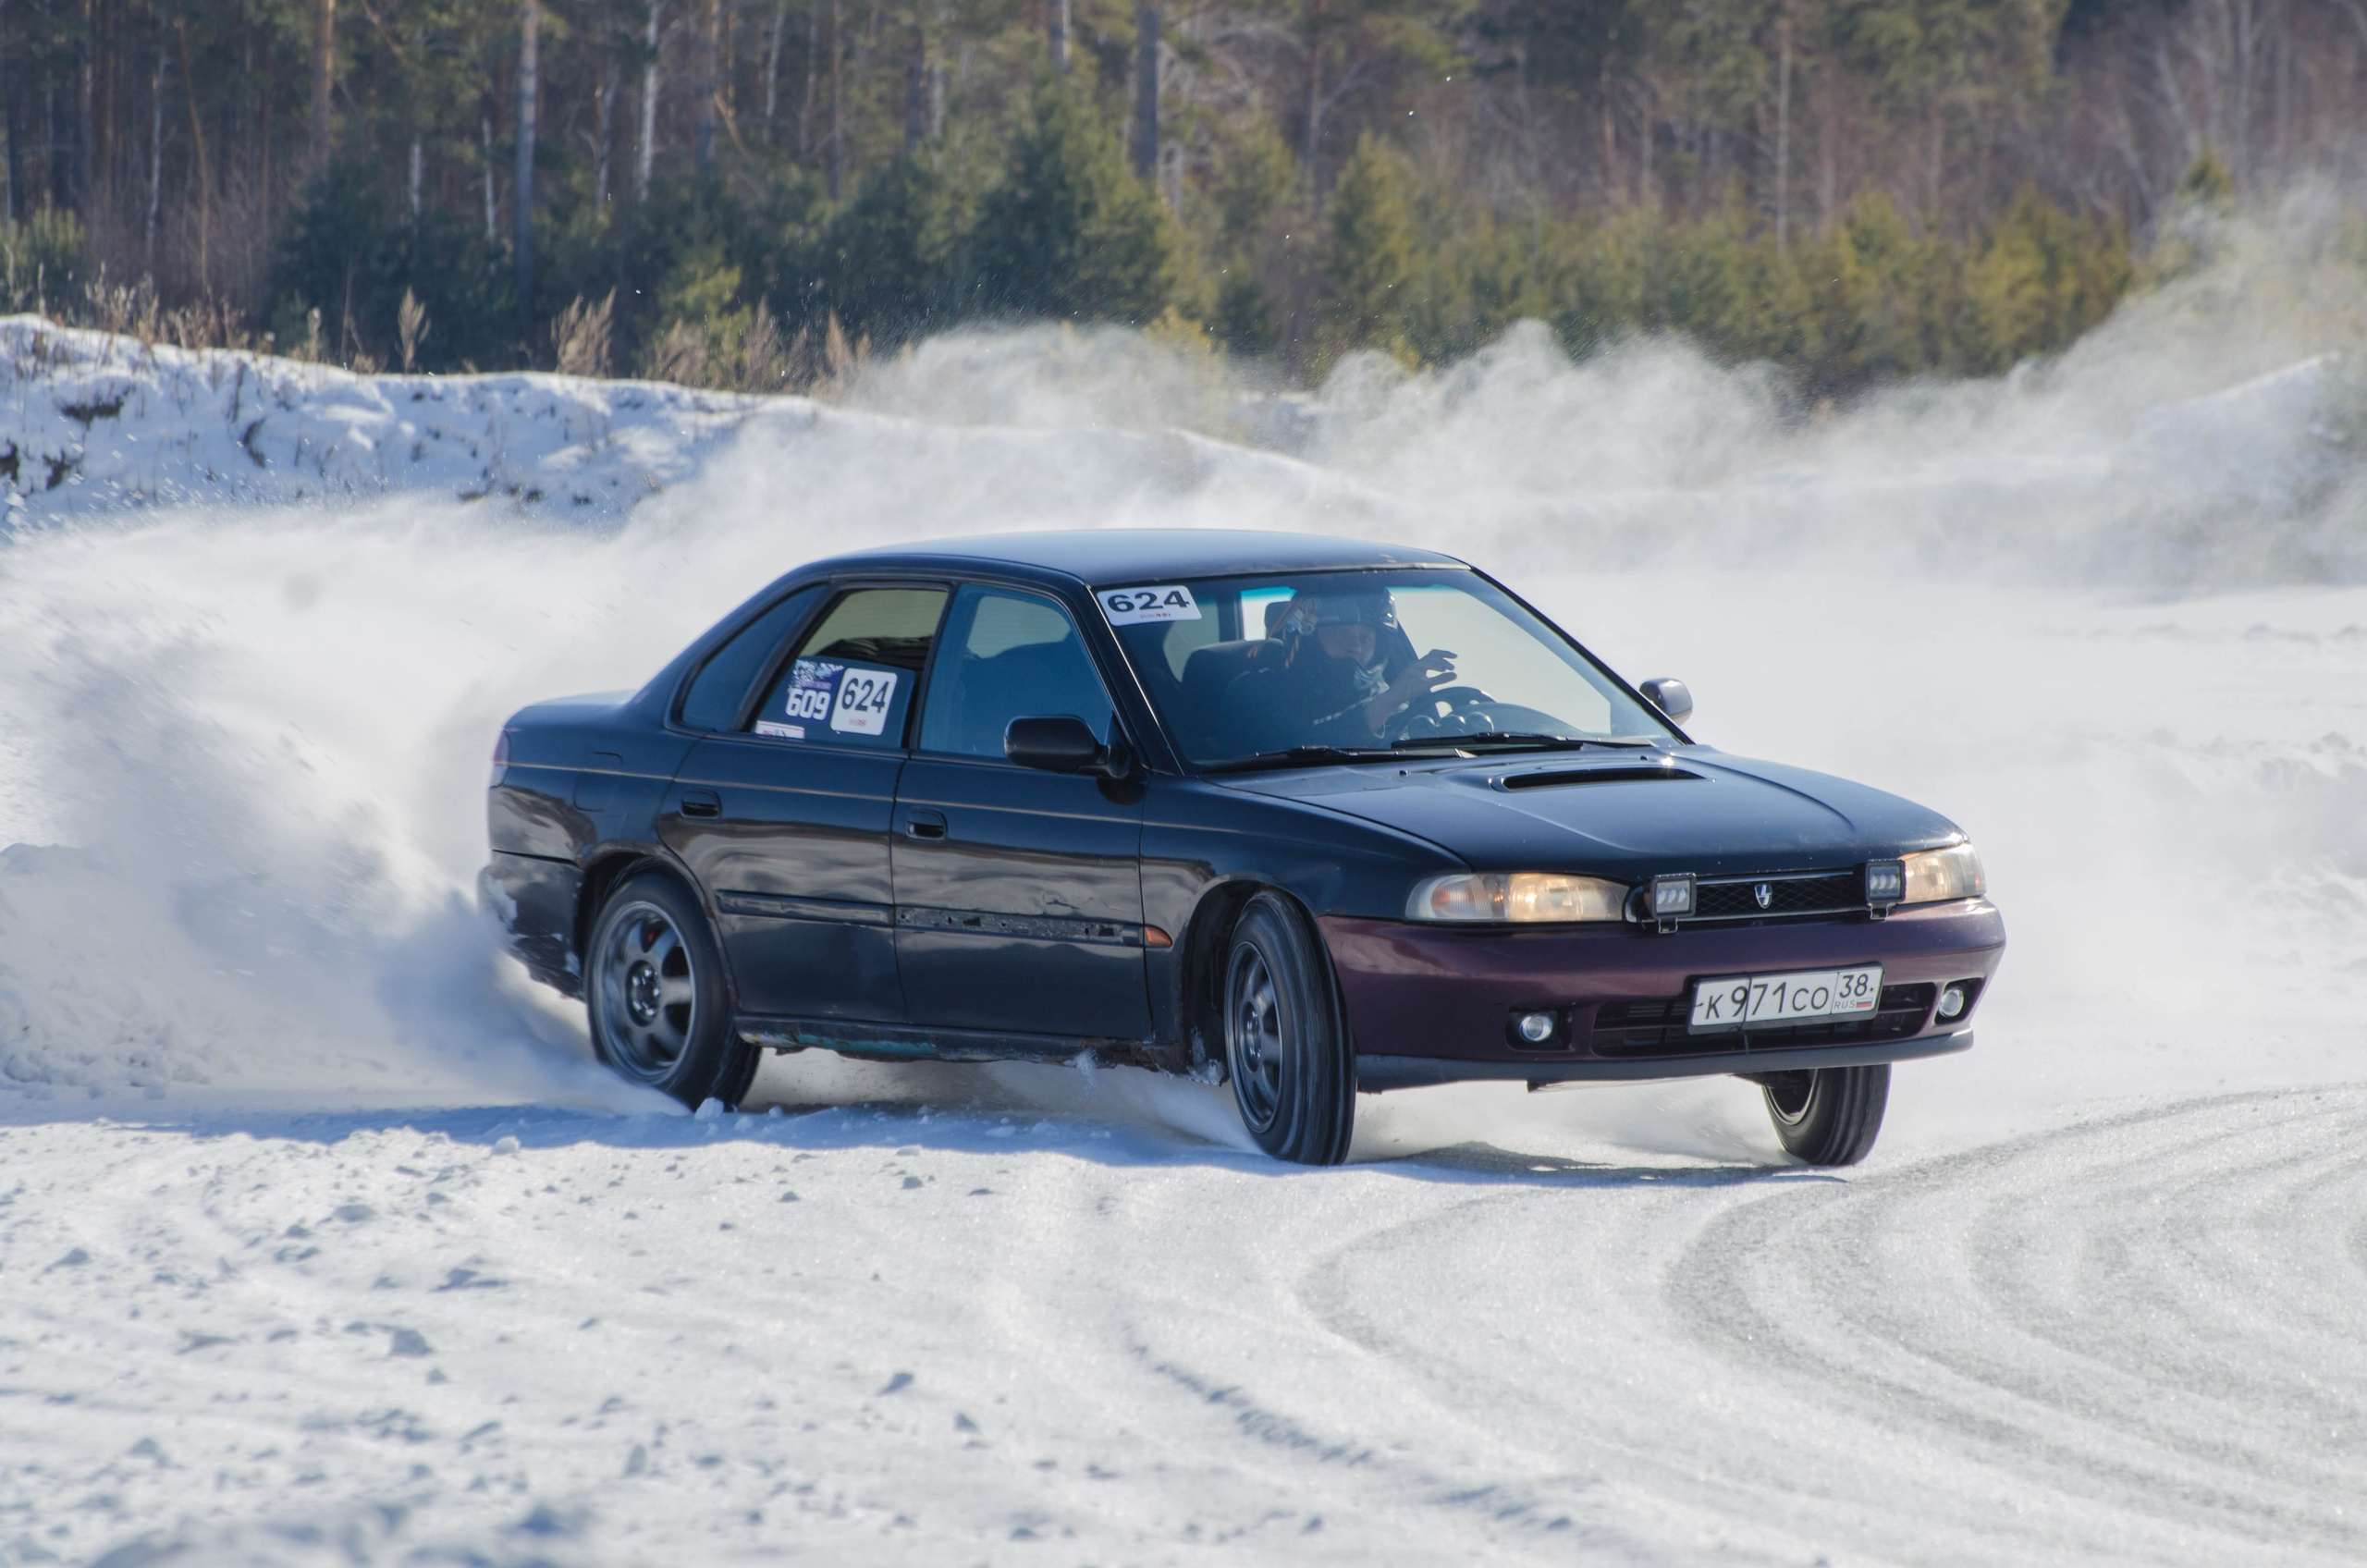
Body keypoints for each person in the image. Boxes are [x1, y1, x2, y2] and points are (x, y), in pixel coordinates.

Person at [1225, 590, 1459, 753]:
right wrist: (1384, 704)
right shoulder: (1254, 694)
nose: (1355, 647)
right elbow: (1301, 751)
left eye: (1365, 638)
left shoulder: (1396, 702)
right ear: (1308, 638)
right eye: (1342, 634)